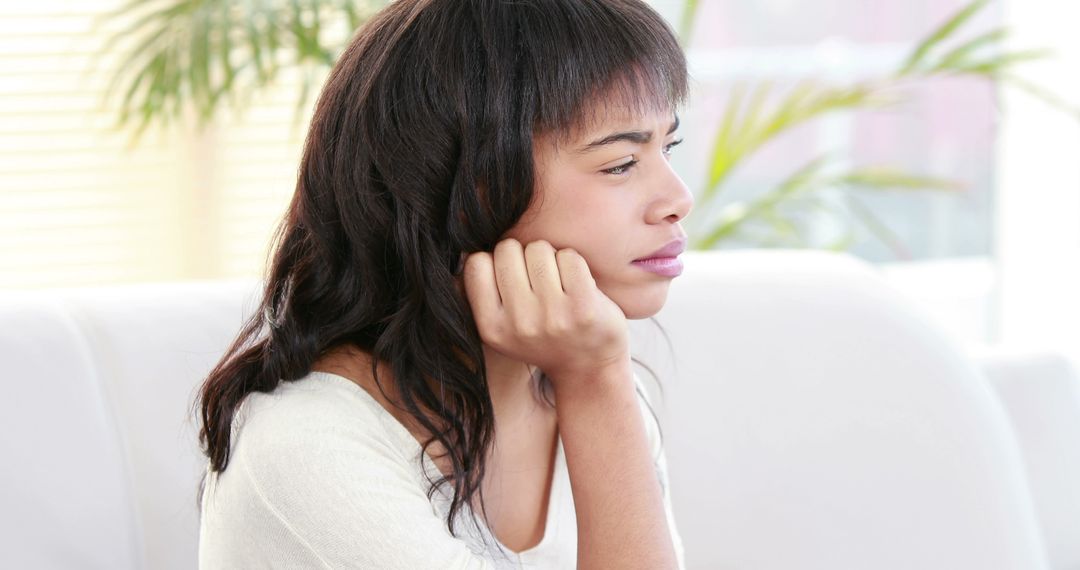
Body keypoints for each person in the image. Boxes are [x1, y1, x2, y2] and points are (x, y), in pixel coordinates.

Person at [196, 0, 694, 568]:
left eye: (668, 148)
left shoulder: (592, 382)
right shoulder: (309, 445)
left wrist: (597, 385)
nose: (679, 200)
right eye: (621, 164)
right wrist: (596, 382)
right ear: (463, 188)